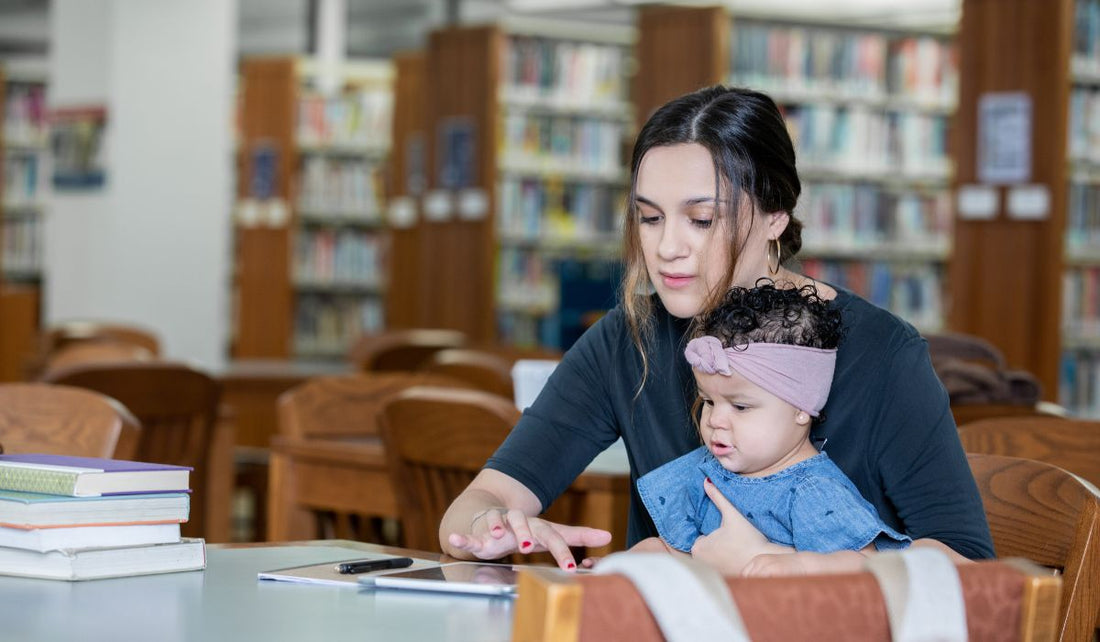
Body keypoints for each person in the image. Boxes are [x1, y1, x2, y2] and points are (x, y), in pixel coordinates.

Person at [439, 85, 993, 574]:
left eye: (701, 219)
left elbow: (967, 564)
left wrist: (784, 568)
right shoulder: (627, 338)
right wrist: (489, 526)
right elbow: (481, 500)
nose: (666, 247)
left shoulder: (881, 353)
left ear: (776, 215)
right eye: (649, 217)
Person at [633, 281, 910, 574]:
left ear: (802, 409)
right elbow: (682, 551)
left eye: (740, 406)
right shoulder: (708, 469)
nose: (714, 420)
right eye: (709, 401)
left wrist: (801, 566)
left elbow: (867, 567)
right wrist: (633, 563)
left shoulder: (811, 491)